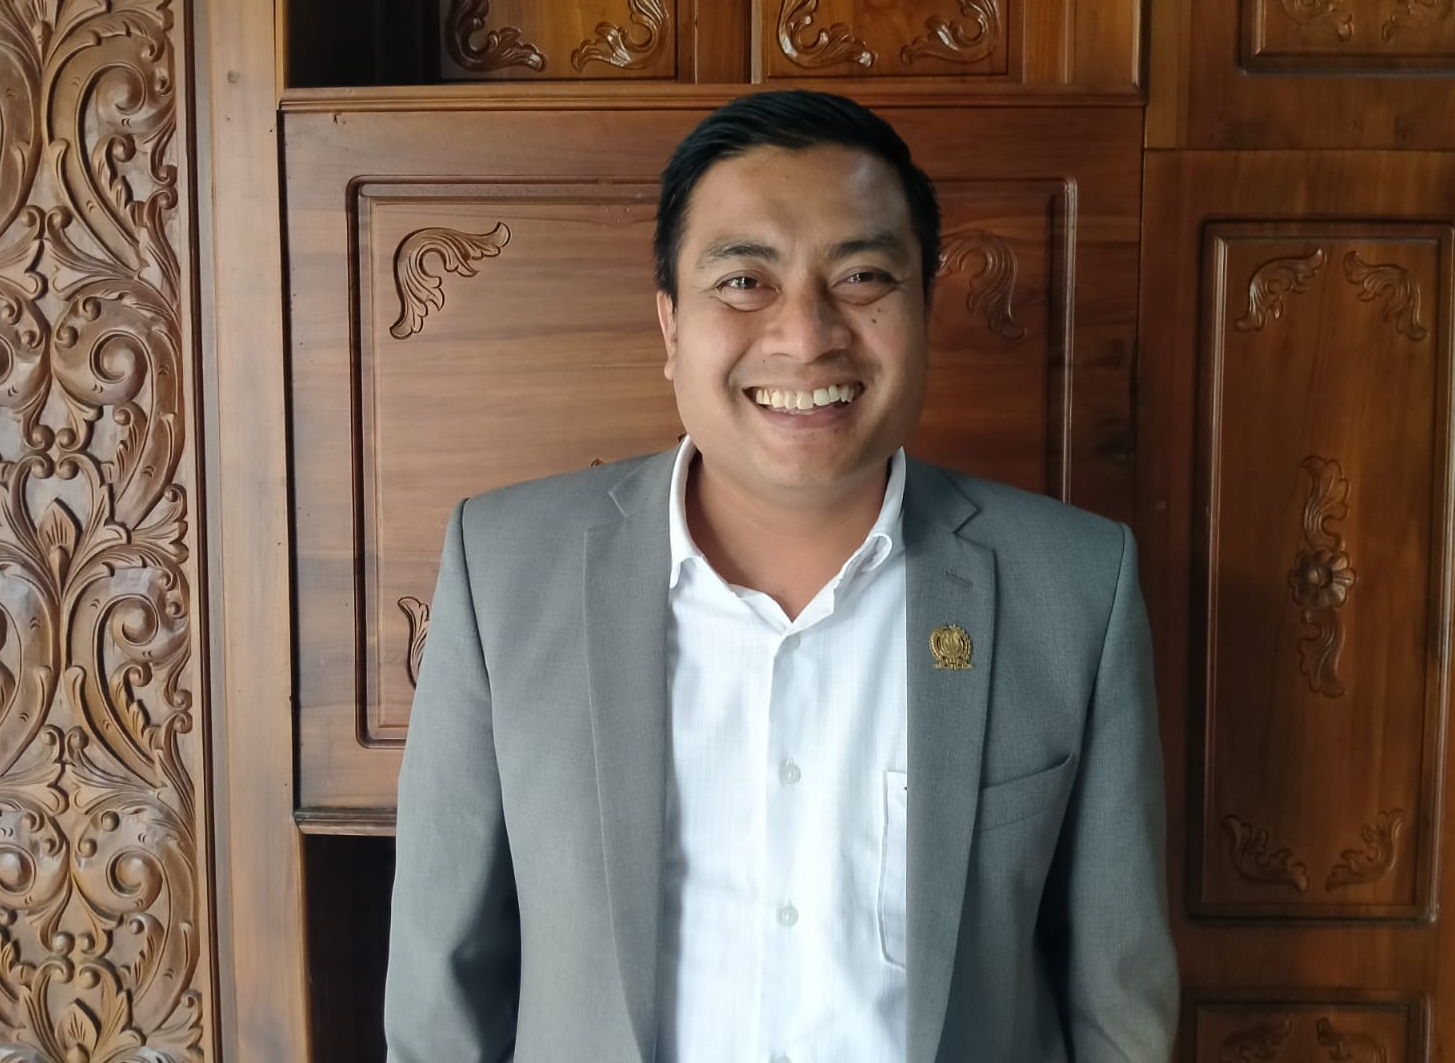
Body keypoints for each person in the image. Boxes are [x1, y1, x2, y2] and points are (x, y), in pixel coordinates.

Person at [384, 90, 1177, 1062]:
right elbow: (441, 990)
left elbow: (1117, 997)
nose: (806, 336)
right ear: (670, 325)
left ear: (924, 311)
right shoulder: (506, 568)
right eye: (744, 282)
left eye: (862, 276)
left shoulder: (1075, 585)